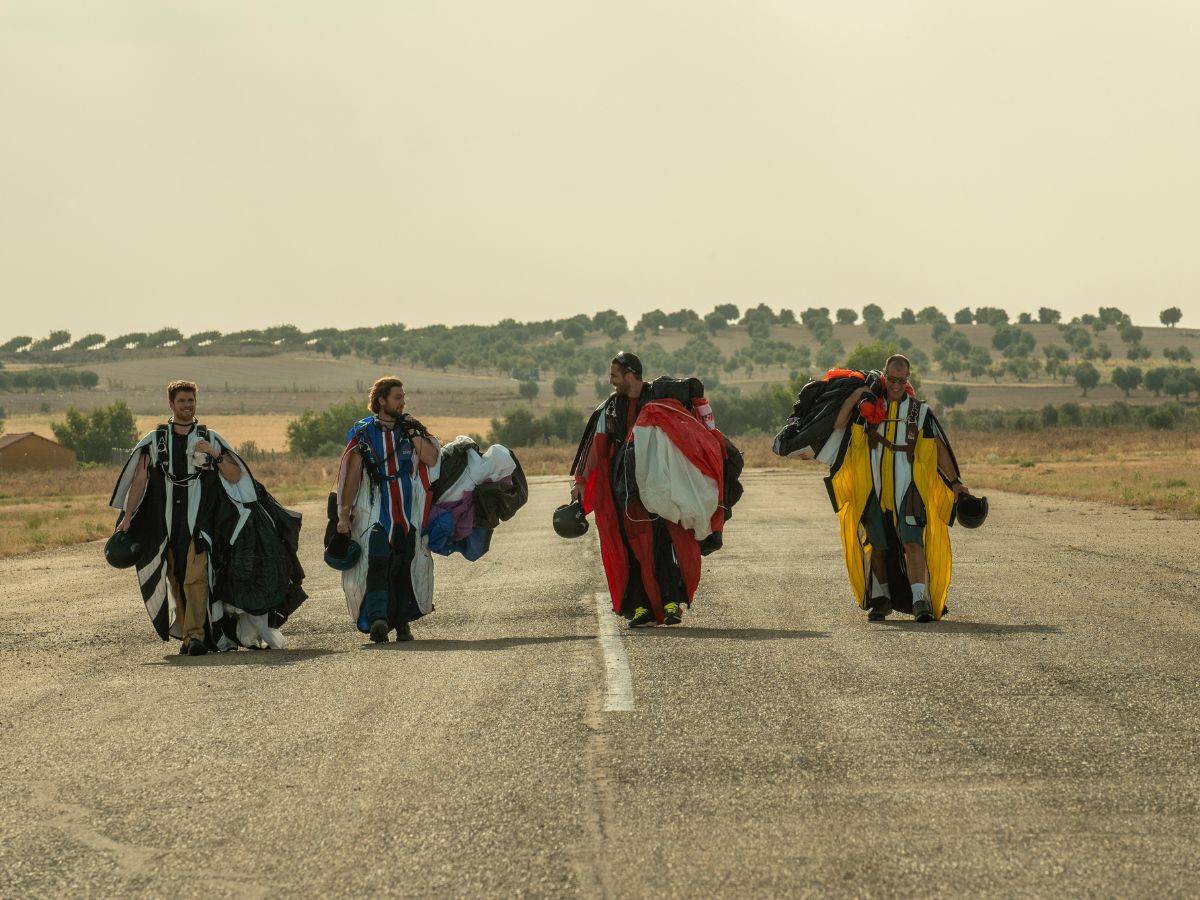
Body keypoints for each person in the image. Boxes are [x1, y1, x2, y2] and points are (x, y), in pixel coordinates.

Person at [109, 380, 304, 654]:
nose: (187, 406)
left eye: (191, 401)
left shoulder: (211, 438)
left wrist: (213, 454)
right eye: (182, 402)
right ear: (171, 404)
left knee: (196, 577)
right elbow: (139, 481)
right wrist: (127, 517)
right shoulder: (155, 441)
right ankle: (190, 634)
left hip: (202, 524)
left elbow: (236, 476)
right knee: (175, 578)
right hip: (166, 524)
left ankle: (195, 637)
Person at [570, 352, 729, 628]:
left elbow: (688, 427)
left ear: (630, 375)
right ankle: (640, 607)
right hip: (625, 487)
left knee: (662, 542)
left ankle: (670, 602)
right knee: (629, 547)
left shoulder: (658, 399)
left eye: (615, 376)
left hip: (656, 483)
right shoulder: (610, 408)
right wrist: (581, 482)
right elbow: (597, 447)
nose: (611, 381)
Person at [828, 354, 969, 622]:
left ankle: (919, 601)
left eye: (901, 380)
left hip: (910, 490)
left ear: (908, 380)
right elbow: (838, 424)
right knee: (878, 547)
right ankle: (882, 600)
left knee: (912, 543)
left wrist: (956, 483)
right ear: (884, 376)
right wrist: (856, 394)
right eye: (891, 379)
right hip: (874, 490)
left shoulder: (920, 413)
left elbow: (939, 448)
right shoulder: (867, 409)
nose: (895, 385)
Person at [333, 376, 441, 643]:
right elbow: (353, 475)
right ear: (381, 400)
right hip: (375, 511)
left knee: (405, 565)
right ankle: (378, 620)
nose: (402, 402)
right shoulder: (363, 433)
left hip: (407, 510)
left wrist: (413, 433)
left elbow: (431, 458)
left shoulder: (411, 428)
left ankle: (402, 624)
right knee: (378, 564)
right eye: (397, 397)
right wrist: (344, 515)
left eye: (403, 397)